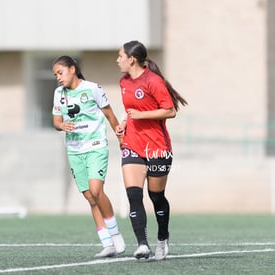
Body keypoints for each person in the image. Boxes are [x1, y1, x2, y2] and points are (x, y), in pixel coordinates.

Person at [115, 40, 188, 260]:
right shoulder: (124, 82)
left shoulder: (153, 81)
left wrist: (141, 115)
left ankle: (163, 237)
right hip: (132, 145)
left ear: (132, 59)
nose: (117, 60)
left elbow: (170, 111)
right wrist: (124, 123)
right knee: (134, 195)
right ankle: (142, 245)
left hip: (157, 147)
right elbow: (131, 112)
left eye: (120, 56)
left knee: (156, 196)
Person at [51, 55, 126, 258]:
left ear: (72, 69)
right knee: (90, 197)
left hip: (95, 146)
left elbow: (110, 115)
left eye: (61, 72)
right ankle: (107, 243)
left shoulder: (93, 88)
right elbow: (56, 121)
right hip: (74, 150)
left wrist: (120, 137)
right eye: (55, 74)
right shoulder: (59, 93)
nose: (58, 77)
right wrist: (61, 125)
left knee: (96, 190)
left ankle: (115, 233)